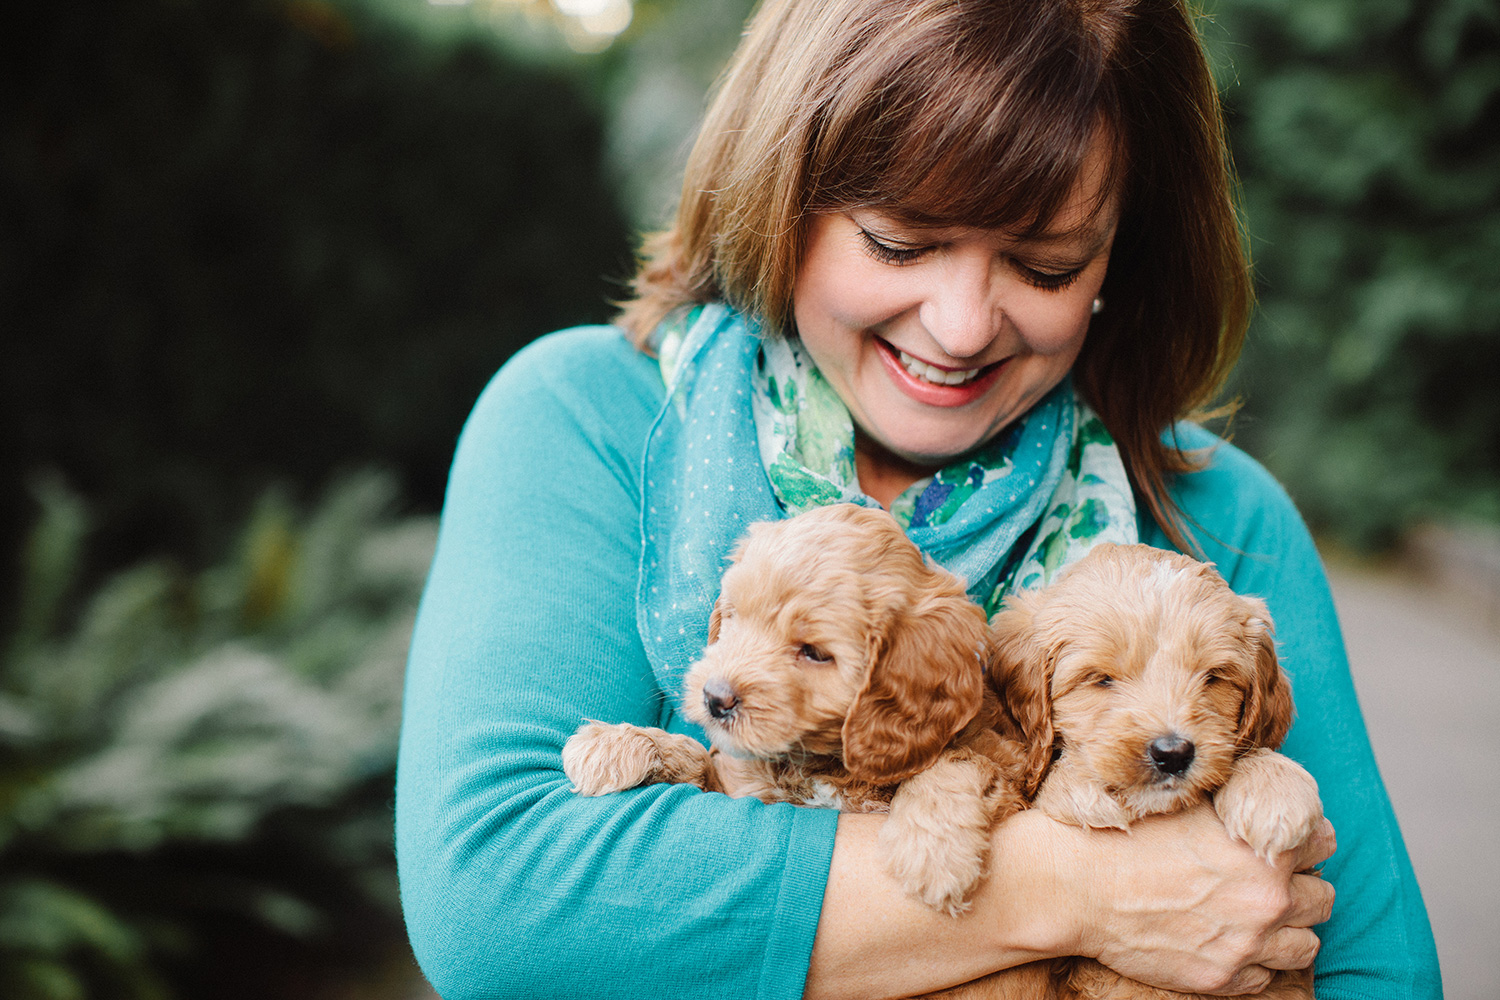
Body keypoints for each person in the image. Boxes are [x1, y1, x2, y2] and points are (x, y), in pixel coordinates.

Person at [395, 1, 1441, 997]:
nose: (959, 324)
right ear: (784, 194)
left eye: (1044, 263)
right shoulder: (589, 418)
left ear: (1120, 254)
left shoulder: (1218, 517)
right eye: (900, 242)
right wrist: (1075, 894)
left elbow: (1375, 970)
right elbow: (496, 893)